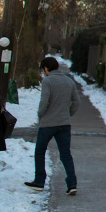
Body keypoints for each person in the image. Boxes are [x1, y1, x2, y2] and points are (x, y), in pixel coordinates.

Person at [25, 56, 79, 195]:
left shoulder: (47, 81)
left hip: (48, 124)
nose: (43, 73)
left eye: (43, 70)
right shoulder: (69, 81)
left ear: (46, 68)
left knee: (40, 151)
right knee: (65, 154)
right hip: (64, 124)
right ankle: (72, 184)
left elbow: (44, 101)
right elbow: (76, 102)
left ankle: (39, 181)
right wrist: (67, 114)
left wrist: (40, 114)